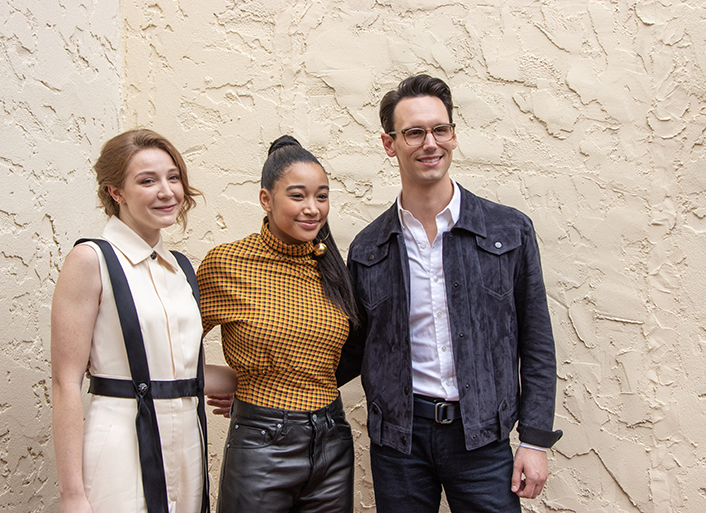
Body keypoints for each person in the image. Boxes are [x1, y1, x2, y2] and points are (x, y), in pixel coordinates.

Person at [336, 74, 562, 512]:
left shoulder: (507, 230)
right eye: (414, 132)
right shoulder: (368, 249)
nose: (429, 143)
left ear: (454, 136)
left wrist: (535, 440)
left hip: (481, 439)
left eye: (440, 129)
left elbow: (536, 342)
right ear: (390, 144)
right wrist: (266, 387)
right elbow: (351, 348)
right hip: (400, 443)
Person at [51, 129, 236, 513]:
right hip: (120, 442)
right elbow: (65, 382)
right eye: (147, 180)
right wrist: (72, 495)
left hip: (188, 443)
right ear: (115, 192)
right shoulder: (91, 260)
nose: (167, 191)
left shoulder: (181, 268)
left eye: (173, 177)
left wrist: (255, 385)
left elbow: (189, 371)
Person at [196, 135, 359, 513]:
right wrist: (241, 379)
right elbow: (170, 347)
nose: (313, 208)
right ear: (266, 199)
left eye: (322, 196)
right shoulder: (226, 264)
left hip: (332, 441)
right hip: (261, 444)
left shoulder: (332, 269)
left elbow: (346, 353)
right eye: (298, 196)